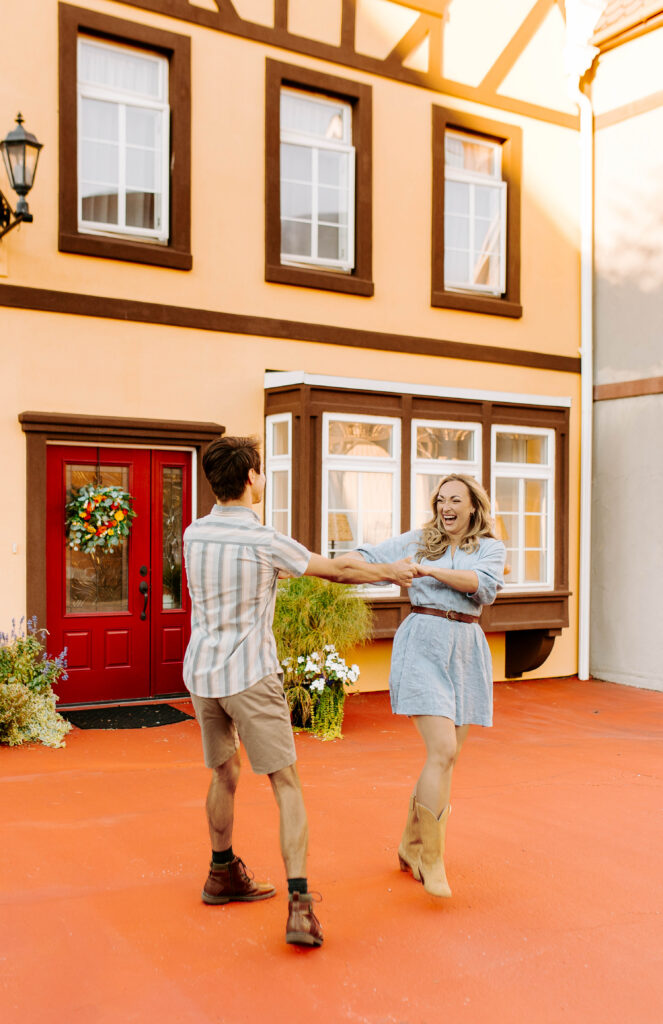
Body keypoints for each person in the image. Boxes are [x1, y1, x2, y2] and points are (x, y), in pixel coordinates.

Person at [182, 435, 417, 947]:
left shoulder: (193, 535)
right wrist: (391, 572)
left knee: (224, 772)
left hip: (202, 675)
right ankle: (300, 908)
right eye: (261, 472)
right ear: (250, 478)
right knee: (286, 784)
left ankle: (221, 874)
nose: (263, 479)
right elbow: (336, 570)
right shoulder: (264, 540)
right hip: (250, 675)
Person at [352, 473, 506, 898]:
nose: (446, 507)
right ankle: (433, 860)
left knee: (446, 758)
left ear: (473, 505)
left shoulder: (490, 548)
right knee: (443, 750)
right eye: (440, 500)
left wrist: (425, 569)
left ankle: (410, 844)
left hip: (467, 649)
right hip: (423, 640)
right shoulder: (418, 540)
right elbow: (367, 555)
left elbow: (482, 587)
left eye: (455, 500)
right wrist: (346, 565)